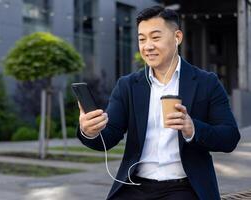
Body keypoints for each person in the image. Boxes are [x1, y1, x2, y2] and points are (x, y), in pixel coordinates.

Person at [76, 5, 240, 200]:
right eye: (142, 39)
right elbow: (109, 136)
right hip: (134, 185)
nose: (147, 46)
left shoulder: (207, 83)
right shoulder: (128, 85)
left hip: (185, 187)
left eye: (155, 37)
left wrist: (192, 128)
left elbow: (230, 137)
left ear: (177, 37)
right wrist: (90, 131)